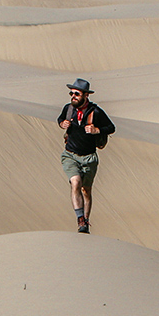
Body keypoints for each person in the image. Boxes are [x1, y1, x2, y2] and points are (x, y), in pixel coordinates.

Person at [57, 78, 116, 234]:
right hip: (70, 155)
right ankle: (80, 219)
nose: (73, 96)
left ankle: (85, 222)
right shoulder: (68, 109)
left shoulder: (95, 112)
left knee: (86, 191)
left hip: (89, 158)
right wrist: (62, 123)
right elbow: (60, 119)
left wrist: (97, 130)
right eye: (71, 93)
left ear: (85, 96)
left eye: (77, 94)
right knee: (75, 182)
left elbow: (111, 127)